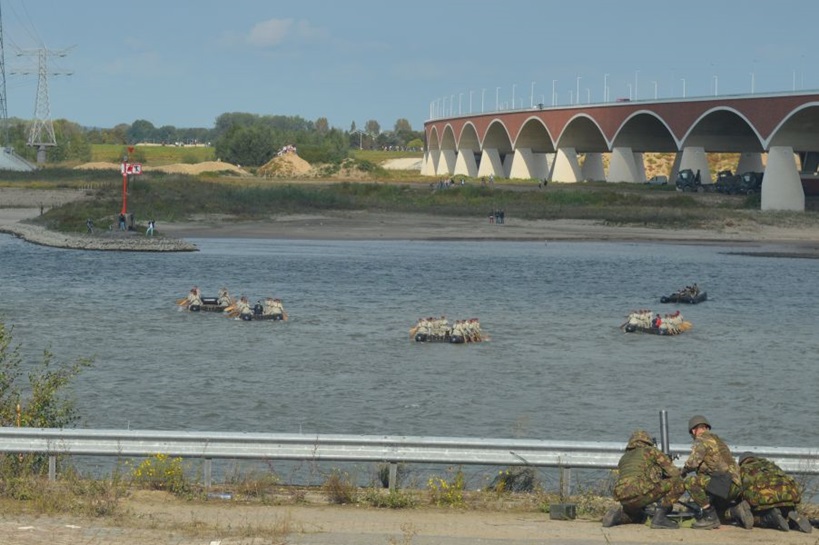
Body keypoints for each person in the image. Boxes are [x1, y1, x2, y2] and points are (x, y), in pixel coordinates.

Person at [602, 429, 683, 530]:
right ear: (647, 441)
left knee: (638, 516)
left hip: (623, 497)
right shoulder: (651, 451)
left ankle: (620, 516)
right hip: (639, 492)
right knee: (678, 482)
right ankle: (660, 517)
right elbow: (674, 473)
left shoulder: (624, 457)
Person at [682, 415, 749, 530]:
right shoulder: (718, 440)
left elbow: (692, 463)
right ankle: (735, 510)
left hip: (724, 484)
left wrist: (682, 472)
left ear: (693, 430)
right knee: (718, 511)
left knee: (690, 482)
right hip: (736, 485)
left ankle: (709, 517)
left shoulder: (701, 440)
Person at [737, 452, 812, 533]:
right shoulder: (771, 465)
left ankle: (770, 517)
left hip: (765, 504)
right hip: (788, 500)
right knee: (783, 514)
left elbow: (736, 490)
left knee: (753, 518)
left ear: (741, 462)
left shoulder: (742, 469)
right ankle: (791, 517)